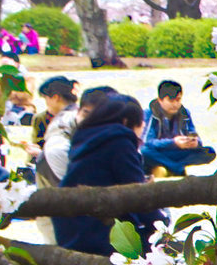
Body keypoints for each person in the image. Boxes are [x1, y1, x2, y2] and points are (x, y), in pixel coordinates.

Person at [54, 92, 156, 255]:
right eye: (140, 122)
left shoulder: (86, 136)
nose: (143, 126)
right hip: (98, 232)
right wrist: (160, 226)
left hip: (70, 229)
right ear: (126, 122)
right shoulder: (120, 142)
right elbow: (139, 196)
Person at [142, 80, 217, 175]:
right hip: (159, 152)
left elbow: (193, 134)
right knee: (144, 151)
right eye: (171, 100)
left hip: (177, 152)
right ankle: (177, 168)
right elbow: (147, 142)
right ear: (160, 100)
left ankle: (172, 166)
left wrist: (194, 142)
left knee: (209, 151)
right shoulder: (150, 113)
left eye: (178, 100)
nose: (175, 104)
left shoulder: (185, 113)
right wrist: (173, 142)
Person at [22, 76, 80, 187]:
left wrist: (41, 154)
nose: (46, 104)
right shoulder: (45, 118)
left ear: (55, 97)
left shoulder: (68, 119)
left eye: (46, 98)